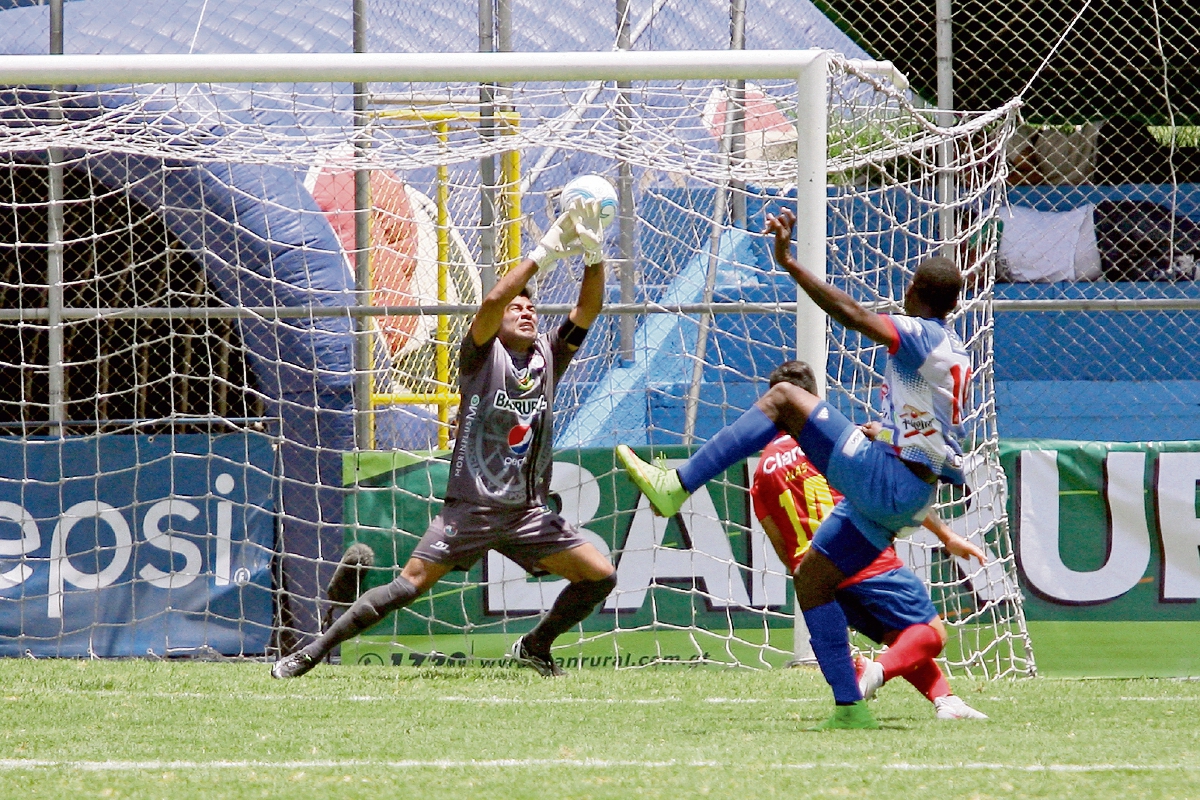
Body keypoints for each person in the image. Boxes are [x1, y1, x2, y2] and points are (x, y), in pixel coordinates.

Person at [618, 207, 971, 729]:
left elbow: (852, 314)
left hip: (890, 481)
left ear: (915, 289)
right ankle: (851, 710)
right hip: (906, 493)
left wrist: (789, 262)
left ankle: (677, 484)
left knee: (784, 397)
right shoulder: (952, 347)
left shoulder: (920, 335)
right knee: (812, 581)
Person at [272, 198, 617, 679]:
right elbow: (493, 301)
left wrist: (594, 254)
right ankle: (311, 652)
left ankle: (536, 646)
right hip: (471, 507)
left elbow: (589, 308)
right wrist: (542, 252)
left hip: (525, 511)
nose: (526, 311)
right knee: (409, 584)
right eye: (517, 307)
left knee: (601, 576)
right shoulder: (480, 355)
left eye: (531, 306)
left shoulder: (548, 357)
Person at [752, 360, 988, 721]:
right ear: (814, 398)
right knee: (929, 632)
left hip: (817, 571)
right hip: (863, 557)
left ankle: (946, 701)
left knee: (898, 636)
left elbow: (777, 536)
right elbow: (885, 493)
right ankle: (873, 674)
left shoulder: (763, 468)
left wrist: (811, 580)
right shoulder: (836, 447)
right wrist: (945, 534)